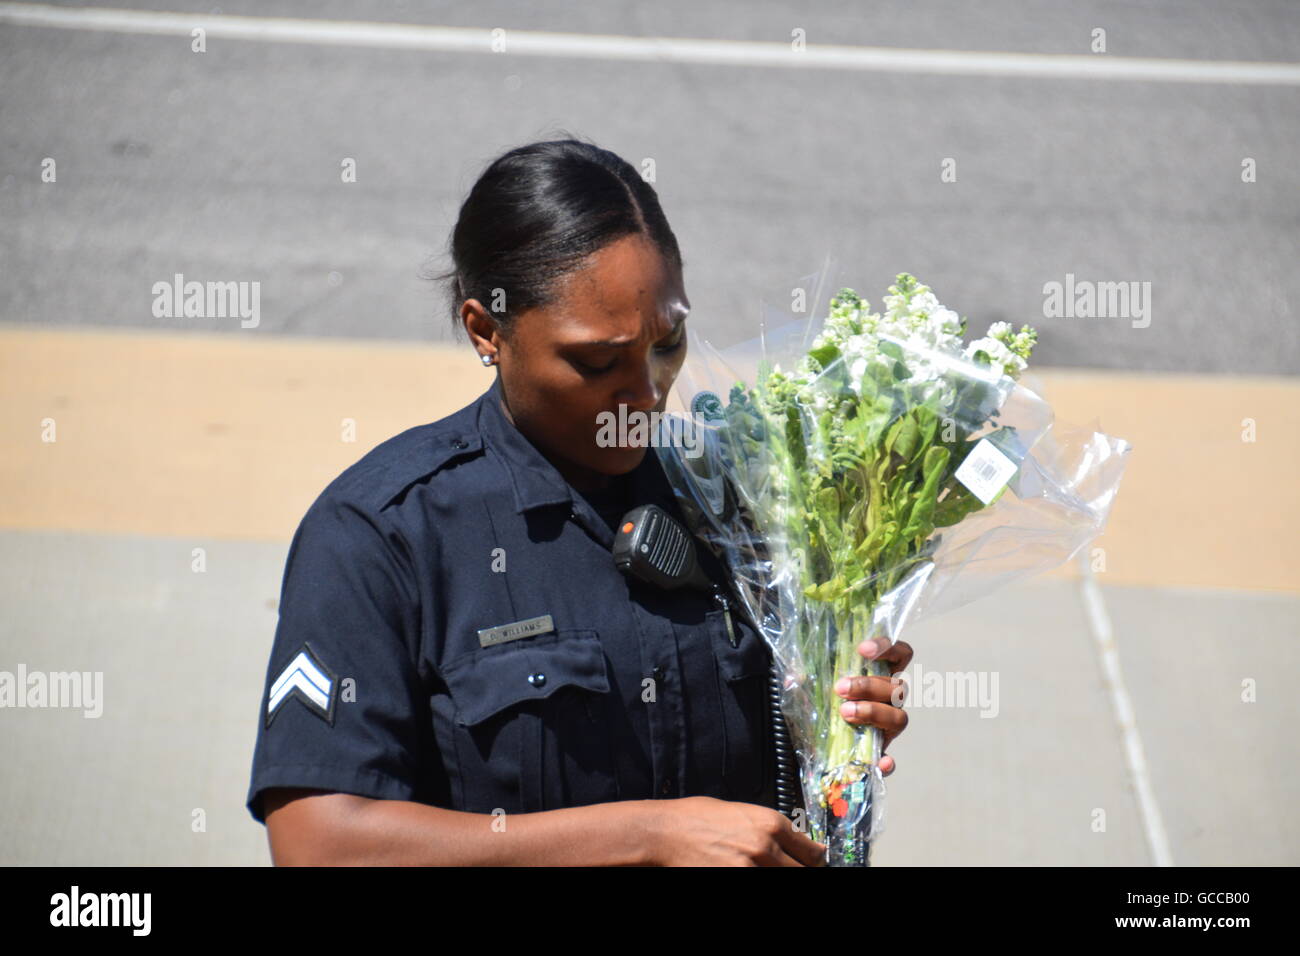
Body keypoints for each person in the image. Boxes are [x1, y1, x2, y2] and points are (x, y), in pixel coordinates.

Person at [245, 136, 912, 866]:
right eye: (598, 361)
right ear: (486, 330)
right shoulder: (385, 532)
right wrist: (647, 837)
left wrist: (840, 716)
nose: (648, 391)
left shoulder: (742, 495)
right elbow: (318, 844)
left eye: (669, 341)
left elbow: (800, 761)